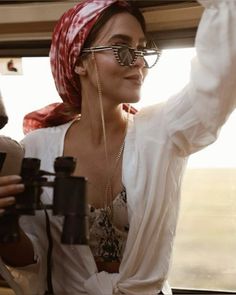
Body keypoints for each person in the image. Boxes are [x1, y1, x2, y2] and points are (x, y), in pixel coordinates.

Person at [0, 0, 236, 294]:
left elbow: (217, 84)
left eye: (142, 49)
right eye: (122, 48)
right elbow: (30, 260)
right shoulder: (37, 149)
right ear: (80, 61)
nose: (138, 62)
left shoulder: (161, 133)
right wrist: (4, 227)